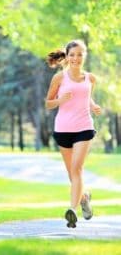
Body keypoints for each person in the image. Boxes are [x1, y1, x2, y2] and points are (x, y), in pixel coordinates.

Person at [45, 39, 102, 228]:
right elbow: (48, 103)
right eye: (72, 55)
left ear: (84, 56)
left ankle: (72, 210)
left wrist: (93, 106)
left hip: (84, 127)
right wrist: (60, 99)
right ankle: (84, 198)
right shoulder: (59, 78)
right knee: (72, 174)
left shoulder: (90, 78)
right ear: (67, 57)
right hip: (63, 129)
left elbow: (87, 98)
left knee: (77, 169)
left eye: (80, 54)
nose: (76, 58)